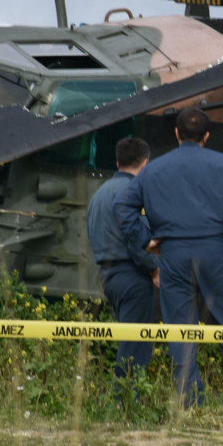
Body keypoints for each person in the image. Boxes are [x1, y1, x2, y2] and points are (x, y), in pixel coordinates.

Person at [120, 108, 223, 410]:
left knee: (180, 331)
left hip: (173, 255)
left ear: (176, 134)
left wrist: (147, 240)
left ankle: (190, 404)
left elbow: (124, 205)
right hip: (216, 251)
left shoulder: (155, 169)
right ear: (207, 136)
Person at [86, 137, 161, 388]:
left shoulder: (98, 194)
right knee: (136, 346)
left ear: (118, 162)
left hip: (109, 277)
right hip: (133, 276)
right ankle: (126, 405)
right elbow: (136, 237)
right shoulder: (134, 194)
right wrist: (154, 268)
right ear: (145, 164)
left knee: (127, 340)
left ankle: (123, 402)